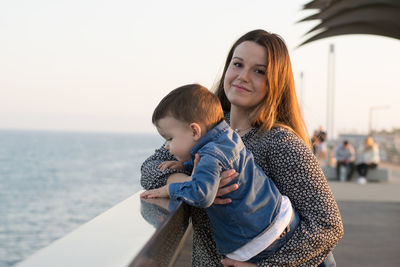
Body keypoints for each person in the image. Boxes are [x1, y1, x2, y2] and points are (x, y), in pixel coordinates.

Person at [140, 29, 343, 266]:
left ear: (274, 82)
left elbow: (327, 224)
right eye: (237, 64)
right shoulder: (204, 129)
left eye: (259, 71)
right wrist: (189, 181)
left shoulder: (279, 142)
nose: (243, 76)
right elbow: (149, 170)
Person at [141, 84, 300, 263]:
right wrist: (185, 166)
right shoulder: (226, 136)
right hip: (277, 217)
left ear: (194, 130)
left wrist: (170, 189)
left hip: (260, 239)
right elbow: (216, 166)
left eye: (170, 139)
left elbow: (201, 194)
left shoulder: (211, 154)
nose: (167, 147)